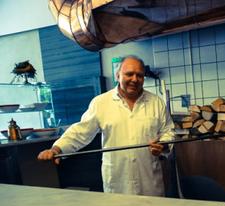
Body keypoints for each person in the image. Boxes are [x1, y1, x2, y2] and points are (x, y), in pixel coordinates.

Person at [37, 55, 175, 196]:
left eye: (139, 75)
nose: (134, 79)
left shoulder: (156, 102)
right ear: (117, 76)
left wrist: (162, 145)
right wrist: (56, 149)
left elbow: (168, 132)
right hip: (118, 182)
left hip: (149, 181)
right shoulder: (101, 103)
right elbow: (80, 132)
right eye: (129, 74)